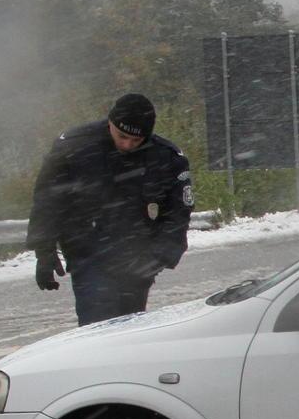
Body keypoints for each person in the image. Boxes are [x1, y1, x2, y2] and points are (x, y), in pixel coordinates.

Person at [26, 93, 194, 325]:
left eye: (136, 141)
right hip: (89, 255)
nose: (127, 145)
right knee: (97, 330)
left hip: (138, 259)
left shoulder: (166, 158)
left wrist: (158, 257)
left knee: (129, 333)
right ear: (110, 124)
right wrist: (44, 251)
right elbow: (48, 200)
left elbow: (178, 215)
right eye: (122, 136)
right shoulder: (74, 147)